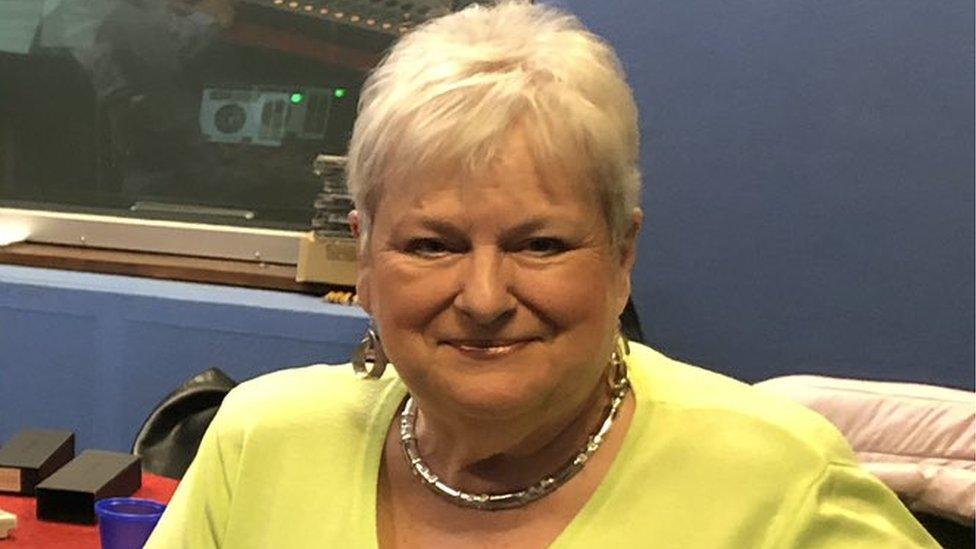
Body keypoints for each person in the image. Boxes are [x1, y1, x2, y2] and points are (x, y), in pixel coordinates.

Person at [146, 2, 938, 547]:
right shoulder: (258, 441)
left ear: (622, 255)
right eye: (432, 245)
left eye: (541, 244)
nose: (484, 297)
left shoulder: (781, 483)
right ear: (364, 255)